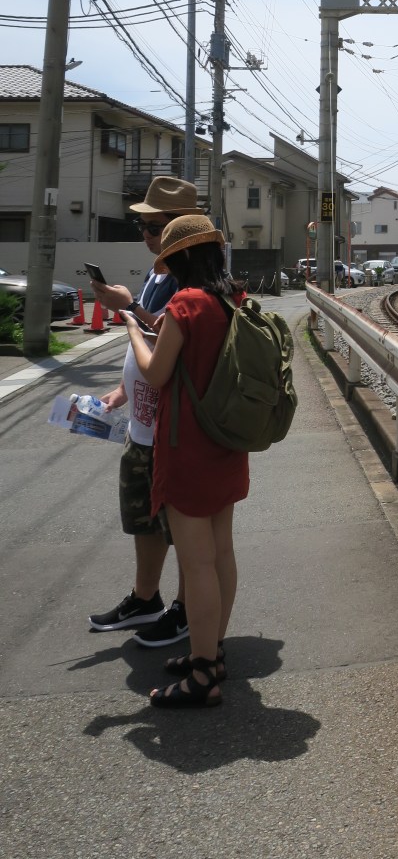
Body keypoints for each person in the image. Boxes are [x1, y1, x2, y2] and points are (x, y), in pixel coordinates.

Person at [125, 214, 250, 709]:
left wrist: (133, 329)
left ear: (180, 260)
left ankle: (202, 675)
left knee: (196, 563)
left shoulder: (184, 304)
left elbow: (156, 373)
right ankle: (211, 652)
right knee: (222, 553)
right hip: (227, 440)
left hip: (187, 447)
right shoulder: (232, 299)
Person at [87, 176, 200, 646]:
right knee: (143, 518)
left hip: (175, 428)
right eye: (144, 228)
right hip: (143, 423)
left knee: (186, 529)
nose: (146, 236)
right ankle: (145, 597)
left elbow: (171, 340)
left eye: (154, 228)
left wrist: (128, 306)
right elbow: (145, 345)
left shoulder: (193, 278)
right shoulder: (157, 272)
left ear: (178, 229)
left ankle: (189, 607)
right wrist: (122, 390)